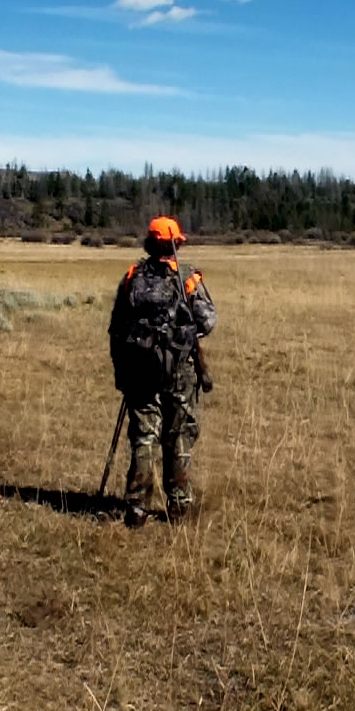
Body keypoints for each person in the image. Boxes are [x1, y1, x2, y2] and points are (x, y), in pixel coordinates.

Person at [108, 216, 217, 519]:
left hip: (140, 372)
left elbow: (117, 327)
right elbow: (208, 320)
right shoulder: (187, 279)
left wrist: (123, 372)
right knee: (179, 435)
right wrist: (182, 334)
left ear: (149, 243)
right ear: (175, 243)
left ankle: (136, 506)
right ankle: (179, 506)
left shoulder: (132, 277)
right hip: (180, 373)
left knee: (144, 437)